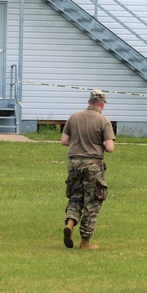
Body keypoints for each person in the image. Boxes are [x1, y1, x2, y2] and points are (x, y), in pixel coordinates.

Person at [61, 89, 115, 250]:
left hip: (74, 163)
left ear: (89, 101)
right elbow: (110, 148)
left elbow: (64, 141)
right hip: (93, 165)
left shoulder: (74, 117)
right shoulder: (103, 121)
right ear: (102, 104)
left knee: (76, 197)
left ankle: (70, 222)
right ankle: (85, 241)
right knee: (93, 201)